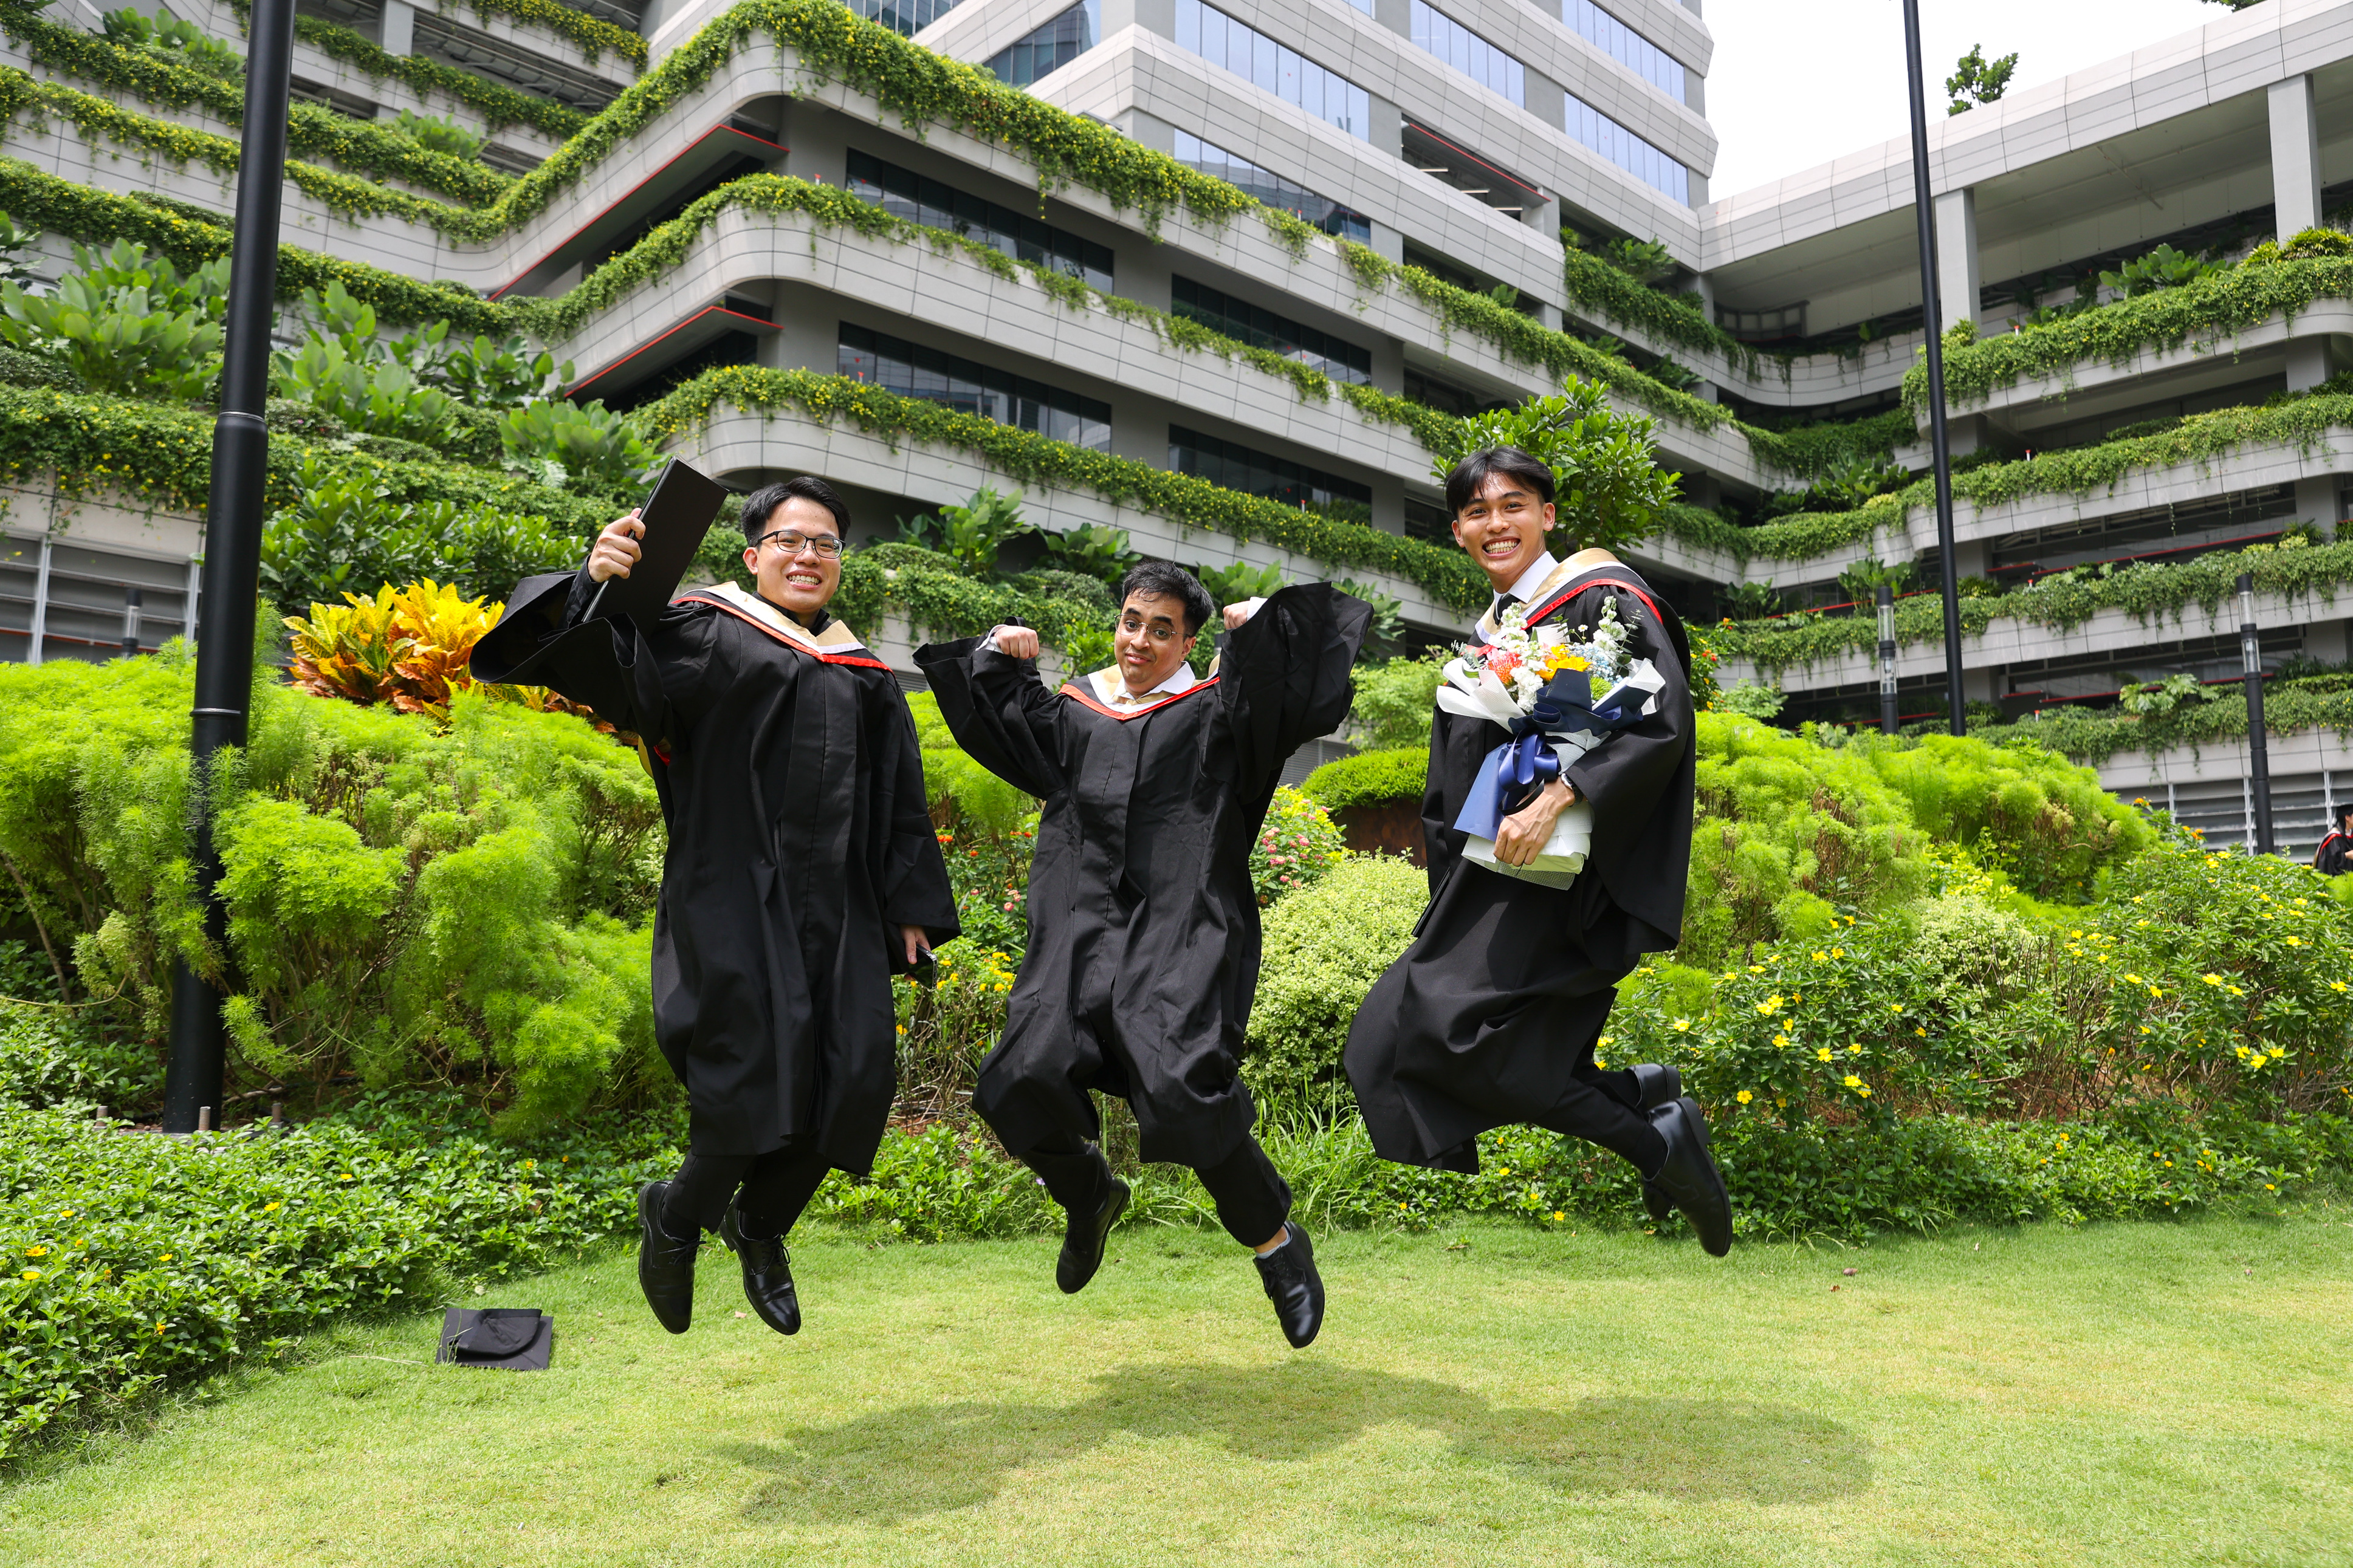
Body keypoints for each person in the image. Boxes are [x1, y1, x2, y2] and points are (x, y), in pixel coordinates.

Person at [472, 476, 958, 1336]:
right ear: (753, 554)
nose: (807, 556)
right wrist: (597, 583)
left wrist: (909, 904)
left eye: (826, 544)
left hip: (842, 905)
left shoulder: (864, 672)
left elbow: (898, 795)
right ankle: (675, 1215)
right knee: (748, 1077)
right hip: (733, 889)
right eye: (789, 540)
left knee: (855, 1080)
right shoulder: (702, 628)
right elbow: (607, 669)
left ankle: (759, 1226)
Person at [916, 564, 1370, 1347]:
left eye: (1162, 630)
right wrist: (997, 650)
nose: (1140, 641)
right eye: (1132, 621)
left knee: (1181, 1082)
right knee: (1017, 1073)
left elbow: (1293, 698)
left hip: (1177, 925)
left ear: (1188, 643)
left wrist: (1264, 633)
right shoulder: (1077, 708)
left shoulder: (1218, 709)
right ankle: (1088, 1193)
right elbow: (1000, 720)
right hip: (1077, 926)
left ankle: (1276, 1246)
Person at [1342, 446, 1734, 1254]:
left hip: (1564, 879)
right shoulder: (1487, 639)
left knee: (1448, 1038)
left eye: (1512, 505)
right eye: (1476, 512)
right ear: (1457, 531)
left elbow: (1661, 722)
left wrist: (1560, 794)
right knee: (1384, 1040)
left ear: (1547, 515)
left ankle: (1654, 1139)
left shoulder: (1599, 597)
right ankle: (1642, 1107)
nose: (1496, 524)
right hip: (1488, 877)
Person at [2314, 805, 2353, 875]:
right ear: (2347, 818)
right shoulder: (2334, 837)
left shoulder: (2350, 834)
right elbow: (2331, 861)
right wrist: (2346, 855)